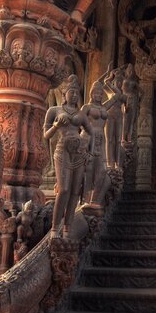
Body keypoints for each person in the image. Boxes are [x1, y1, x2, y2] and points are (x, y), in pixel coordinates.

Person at [43, 75, 96, 238]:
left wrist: (89, 151)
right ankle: (54, 227)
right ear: (64, 93)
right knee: (64, 189)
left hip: (79, 153)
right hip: (62, 151)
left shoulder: (81, 114)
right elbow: (46, 135)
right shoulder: (54, 110)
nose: (74, 95)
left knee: (74, 191)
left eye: (76, 93)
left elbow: (91, 132)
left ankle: (67, 227)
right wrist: (57, 126)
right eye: (71, 92)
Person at [81, 77, 120, 206]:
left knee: (102, 170)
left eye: (100, 93)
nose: (98, 95)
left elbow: (118, 95)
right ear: (91, 94)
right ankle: (85, 199)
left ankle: (94, 198)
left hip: (101, 139)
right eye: (95, 93)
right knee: (89, 169)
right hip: (88, 137)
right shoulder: (86, 107)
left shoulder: (104, 107)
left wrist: (108, 82)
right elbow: (79, 122)